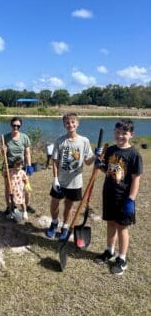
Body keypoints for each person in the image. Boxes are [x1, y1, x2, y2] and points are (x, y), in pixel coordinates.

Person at [94, 119, 143, 275]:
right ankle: (109, 251)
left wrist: (131, 199)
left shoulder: (134, 154)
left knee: (122, 227)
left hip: (124, 197)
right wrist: (99, 164)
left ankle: (122, 258)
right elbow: (108, 169)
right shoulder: (111, 150)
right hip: (109, 193)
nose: (120, 136)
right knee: (110, 224)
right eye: (117, 132)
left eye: (124, 133)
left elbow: (136, 178)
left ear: (131, 134)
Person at [46, 112, 101, 240]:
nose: (70, 124)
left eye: (72, 122)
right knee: (54, 203)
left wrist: (96, 156)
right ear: (64, 125)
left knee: (69, 205)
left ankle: (65, 226)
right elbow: (55, 161)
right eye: (67, 122)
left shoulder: (84, 141)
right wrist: (55, 179)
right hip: (60, 181)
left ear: (77, 123)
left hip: (75, 182)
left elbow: (88, 162)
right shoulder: (60, 141)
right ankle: (54, 223)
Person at [2, 117, 35, 215]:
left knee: (26, 188)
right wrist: (2, 150)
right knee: (8, 188)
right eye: (14, 125)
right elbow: (2, 154)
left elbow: (28, 152)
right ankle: (9, 207)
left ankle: (25, 206)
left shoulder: (24, 137)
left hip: (21, 167)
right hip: (9, 167)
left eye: (18, 126)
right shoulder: (5, 137)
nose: (16, 127)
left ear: (20, 126)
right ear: (11, 125)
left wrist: (29, 166)